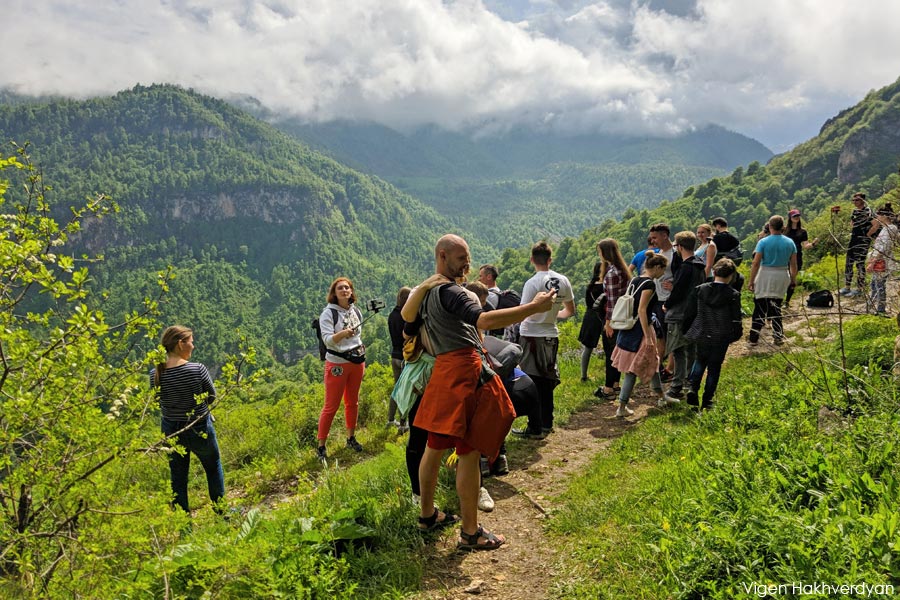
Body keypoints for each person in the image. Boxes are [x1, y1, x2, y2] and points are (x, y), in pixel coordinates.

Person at [405, 234, 555, 551]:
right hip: (464, 374)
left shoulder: (429, 292)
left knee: (434, 446)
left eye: (469, 257)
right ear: (443, 256)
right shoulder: (453, 292)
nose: (467, 264)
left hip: (443, 373)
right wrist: (533, 307)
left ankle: (427, 515)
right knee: (469, 452)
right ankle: (470, 532)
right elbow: (484, 319)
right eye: (461, 258)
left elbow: (407, 318)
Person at [151, 326, 225, 514]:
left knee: (178, 478)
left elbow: (158, 401)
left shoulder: (155, 374)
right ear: (180, 344)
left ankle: (183, 524)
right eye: (191, 341)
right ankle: (221, 514)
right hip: (198, 427)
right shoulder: (197, 369)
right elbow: (211, 396)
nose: (193, 345)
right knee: (213, 467)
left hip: (171, 431)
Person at [519, 241, 576, 434]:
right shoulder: (563, 280)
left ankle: (535, 427)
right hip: (551, 334)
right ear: (550, 260)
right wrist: (552, 317)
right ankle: (546, 423)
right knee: (547, 379)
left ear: (532, 260)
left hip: (531, 335)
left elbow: (523, 311)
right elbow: (570, 310)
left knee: (532, 380)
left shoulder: (532, 283)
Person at [611, 253, 669, 416]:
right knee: (633, 369)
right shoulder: (649, 284)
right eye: (663, 269)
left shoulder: (636, 279)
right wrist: (649, 337)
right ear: (657, 267)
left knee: (652, 362)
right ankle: (621, 407)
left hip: (628, 328)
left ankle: (661, 396)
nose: (663, 273)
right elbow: (642, 310)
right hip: (641, 331)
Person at [317, 277, 366, 464]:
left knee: (352, 402)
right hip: (337, 363)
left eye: (347, 288)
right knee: (331, 406)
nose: (345, 290)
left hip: (356, 361)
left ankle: (350, 438)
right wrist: (344, 333)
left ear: (351, 291)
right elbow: (328, 340)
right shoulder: (328, 314)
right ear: (334, 293)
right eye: (340, 288)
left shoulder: (356, 311)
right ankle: (321, 446)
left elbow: (358, 336)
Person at [683, 259, 743, 409]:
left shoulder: (700, 289)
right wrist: (735, 334)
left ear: (714, 272)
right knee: (714, 368)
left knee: (699, 361)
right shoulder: (733, 294)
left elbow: (689, 312)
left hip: (702, 331)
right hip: (721, 335)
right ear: (731, 276)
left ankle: (692, 388)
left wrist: (687, 330)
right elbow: (736, 318)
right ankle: (708, 400)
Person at [662, 231, 707, 402]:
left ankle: (676, 387)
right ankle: (690, 382)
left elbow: (679, 291)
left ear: (680, 247)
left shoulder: (686, 267)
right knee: (691, 350)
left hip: (679, 314)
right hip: (694, 313)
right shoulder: (700, 265)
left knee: (678, 350)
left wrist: (667, 303)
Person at [748, 216, 797, 346]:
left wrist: (751, 280)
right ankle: (778, 336)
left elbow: (756, 263)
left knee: (760, 306)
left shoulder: (763, 242)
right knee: (776, 306)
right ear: (783, 227)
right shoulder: (790, 242)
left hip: (765, 273)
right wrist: (793, 279)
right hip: (782, 274)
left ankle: (753, 338)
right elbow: (793, 264)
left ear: (769, 226)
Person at [594, 239, 629, 400]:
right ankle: (615, 383)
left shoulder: (611, 274)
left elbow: (612, 301)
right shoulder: (622, 270)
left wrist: (608, 323)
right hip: (624, 317)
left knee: (610, 353)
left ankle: (608, 388)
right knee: (616, 351)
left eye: (600, 251)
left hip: (613, 319)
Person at [648, 223, 680, 381]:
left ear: (665, 235)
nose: (652, 240)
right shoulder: (659, 253)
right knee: (660, 335)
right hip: (658, 299)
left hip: (670, 300)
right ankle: (659, 367)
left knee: (671, 335)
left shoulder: (675, 255)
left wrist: (675, 286)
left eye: (655, 237)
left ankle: (669, 369)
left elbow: (683, 277)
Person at [840, 192, 876, 297]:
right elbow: (852, 223)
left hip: (863, 241)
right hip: (854, 239)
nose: (855, 202)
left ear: (863, 200)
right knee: (849, 262)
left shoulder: (868, 211)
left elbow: (875, 224)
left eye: (857, 200)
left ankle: (860, 288)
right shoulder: (854, 211)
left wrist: (868, 234)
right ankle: (847, 286)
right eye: (854, 200)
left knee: (860, 263)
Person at [387, 286, 412, 430]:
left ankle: (391, 419)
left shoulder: (392, 315)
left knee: (396, 389)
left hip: (394, 355)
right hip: (405, 356)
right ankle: (403, 424)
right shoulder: (406, 316)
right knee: (405, 390)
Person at [866, 205, 898, 314]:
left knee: (879, 286)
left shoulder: (890, 228)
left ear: (884, 216)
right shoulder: (886, 228)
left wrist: (872, 262)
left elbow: (884, 248)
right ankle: (873, 307)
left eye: (878, 215)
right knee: (875, 285)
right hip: (879, 260)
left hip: (882, 261)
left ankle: (880, 309)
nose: (877, 218)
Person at [577, 261, 604, 382]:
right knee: (610, 347)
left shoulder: (590, 286)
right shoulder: (606, 286)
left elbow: (588, 304)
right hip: (603, 316)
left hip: (590, 316)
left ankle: (584, 375)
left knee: (588, 348)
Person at [784, 209, 816, 305]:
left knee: (792, 278)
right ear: (790, 218)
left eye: (798, 216)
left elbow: (805, 245)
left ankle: (787, 301)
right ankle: (781, 299)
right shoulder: (784, 230)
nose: (796, 217)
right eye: (794, 216)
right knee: (785, 278)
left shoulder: (802, 231)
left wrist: (813, 244)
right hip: (785, 256)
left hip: (797, 257)